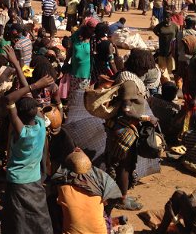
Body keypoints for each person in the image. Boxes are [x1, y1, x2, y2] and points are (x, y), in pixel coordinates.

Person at [0, 45, 53, 234]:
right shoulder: (41, 125)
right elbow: (28, 96)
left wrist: (35, 85)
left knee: (18, 217)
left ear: (18, 115)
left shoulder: (21, 132)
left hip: (17, 181)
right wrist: (18, 67)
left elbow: (9, 100)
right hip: (35, 179)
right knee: (38, 215)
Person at [105, 49, 157, 211]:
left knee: (123, 165)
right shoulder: (129, 83)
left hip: (123, 127)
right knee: (125, 165)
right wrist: (147, 119)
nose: (146, 71)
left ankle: (121, 195)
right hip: (125, 129)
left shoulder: (126, 76)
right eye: (144, 68)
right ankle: (122, 199)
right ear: (138, 66)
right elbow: (127, 110)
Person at [50, 149, 122, 234]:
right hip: (101, 232)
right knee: (103, 215)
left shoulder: (62, 188)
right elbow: (111, 202)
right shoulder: (100, 184)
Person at [153, 12, 179, 81]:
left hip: (171, 47)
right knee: (162, 65)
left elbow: (177, 34)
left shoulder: (174, 26)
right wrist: (160, 36)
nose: (166, 19)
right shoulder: (160, 25)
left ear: (171, 18)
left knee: (171, 64)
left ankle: (170, 76)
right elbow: (155, 30)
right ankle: (165, 78)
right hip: (162, 46)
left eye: (168, 18)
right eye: (165, 18)